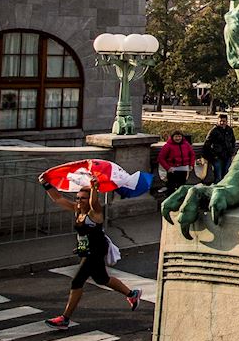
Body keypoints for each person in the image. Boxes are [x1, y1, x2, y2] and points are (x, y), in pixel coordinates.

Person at [41, 181, 142, 328]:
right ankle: (132, 294)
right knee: (102, 279)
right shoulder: (77, 209)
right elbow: (58, 199)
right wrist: (46, 184)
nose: (79, 201)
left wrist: (94, 187)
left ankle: (65, 319)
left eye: (83, 198)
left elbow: (94, 201)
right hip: (87, 251)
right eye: (77, 198)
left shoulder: (95, 212)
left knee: (77, 282)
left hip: (95, 252)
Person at [157, 130, 195, 197]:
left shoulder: (186, 144)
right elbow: (161, 158)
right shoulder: (168, 146)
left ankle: (181, 198)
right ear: (172, 137)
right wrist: (167, 168)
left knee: (182, 186)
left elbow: (192, 155)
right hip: (172, 169)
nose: (178, 138)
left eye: (179, 136)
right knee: (171, 186)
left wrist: (191, 164)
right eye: (176, 137)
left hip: (184, 169)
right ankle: (170, 198)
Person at [203, 114, 237, 184]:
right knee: (218, 176)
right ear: (217, 121)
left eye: (224, 121)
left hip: (227, 155)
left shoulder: (229, 130)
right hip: (217, 157)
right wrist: (212, 156)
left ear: (227, 121)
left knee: (226, 175)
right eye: (220, 121)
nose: (222, 123)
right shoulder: (214, 131)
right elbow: (207, 144)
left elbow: (233, 141)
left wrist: (232, 152)